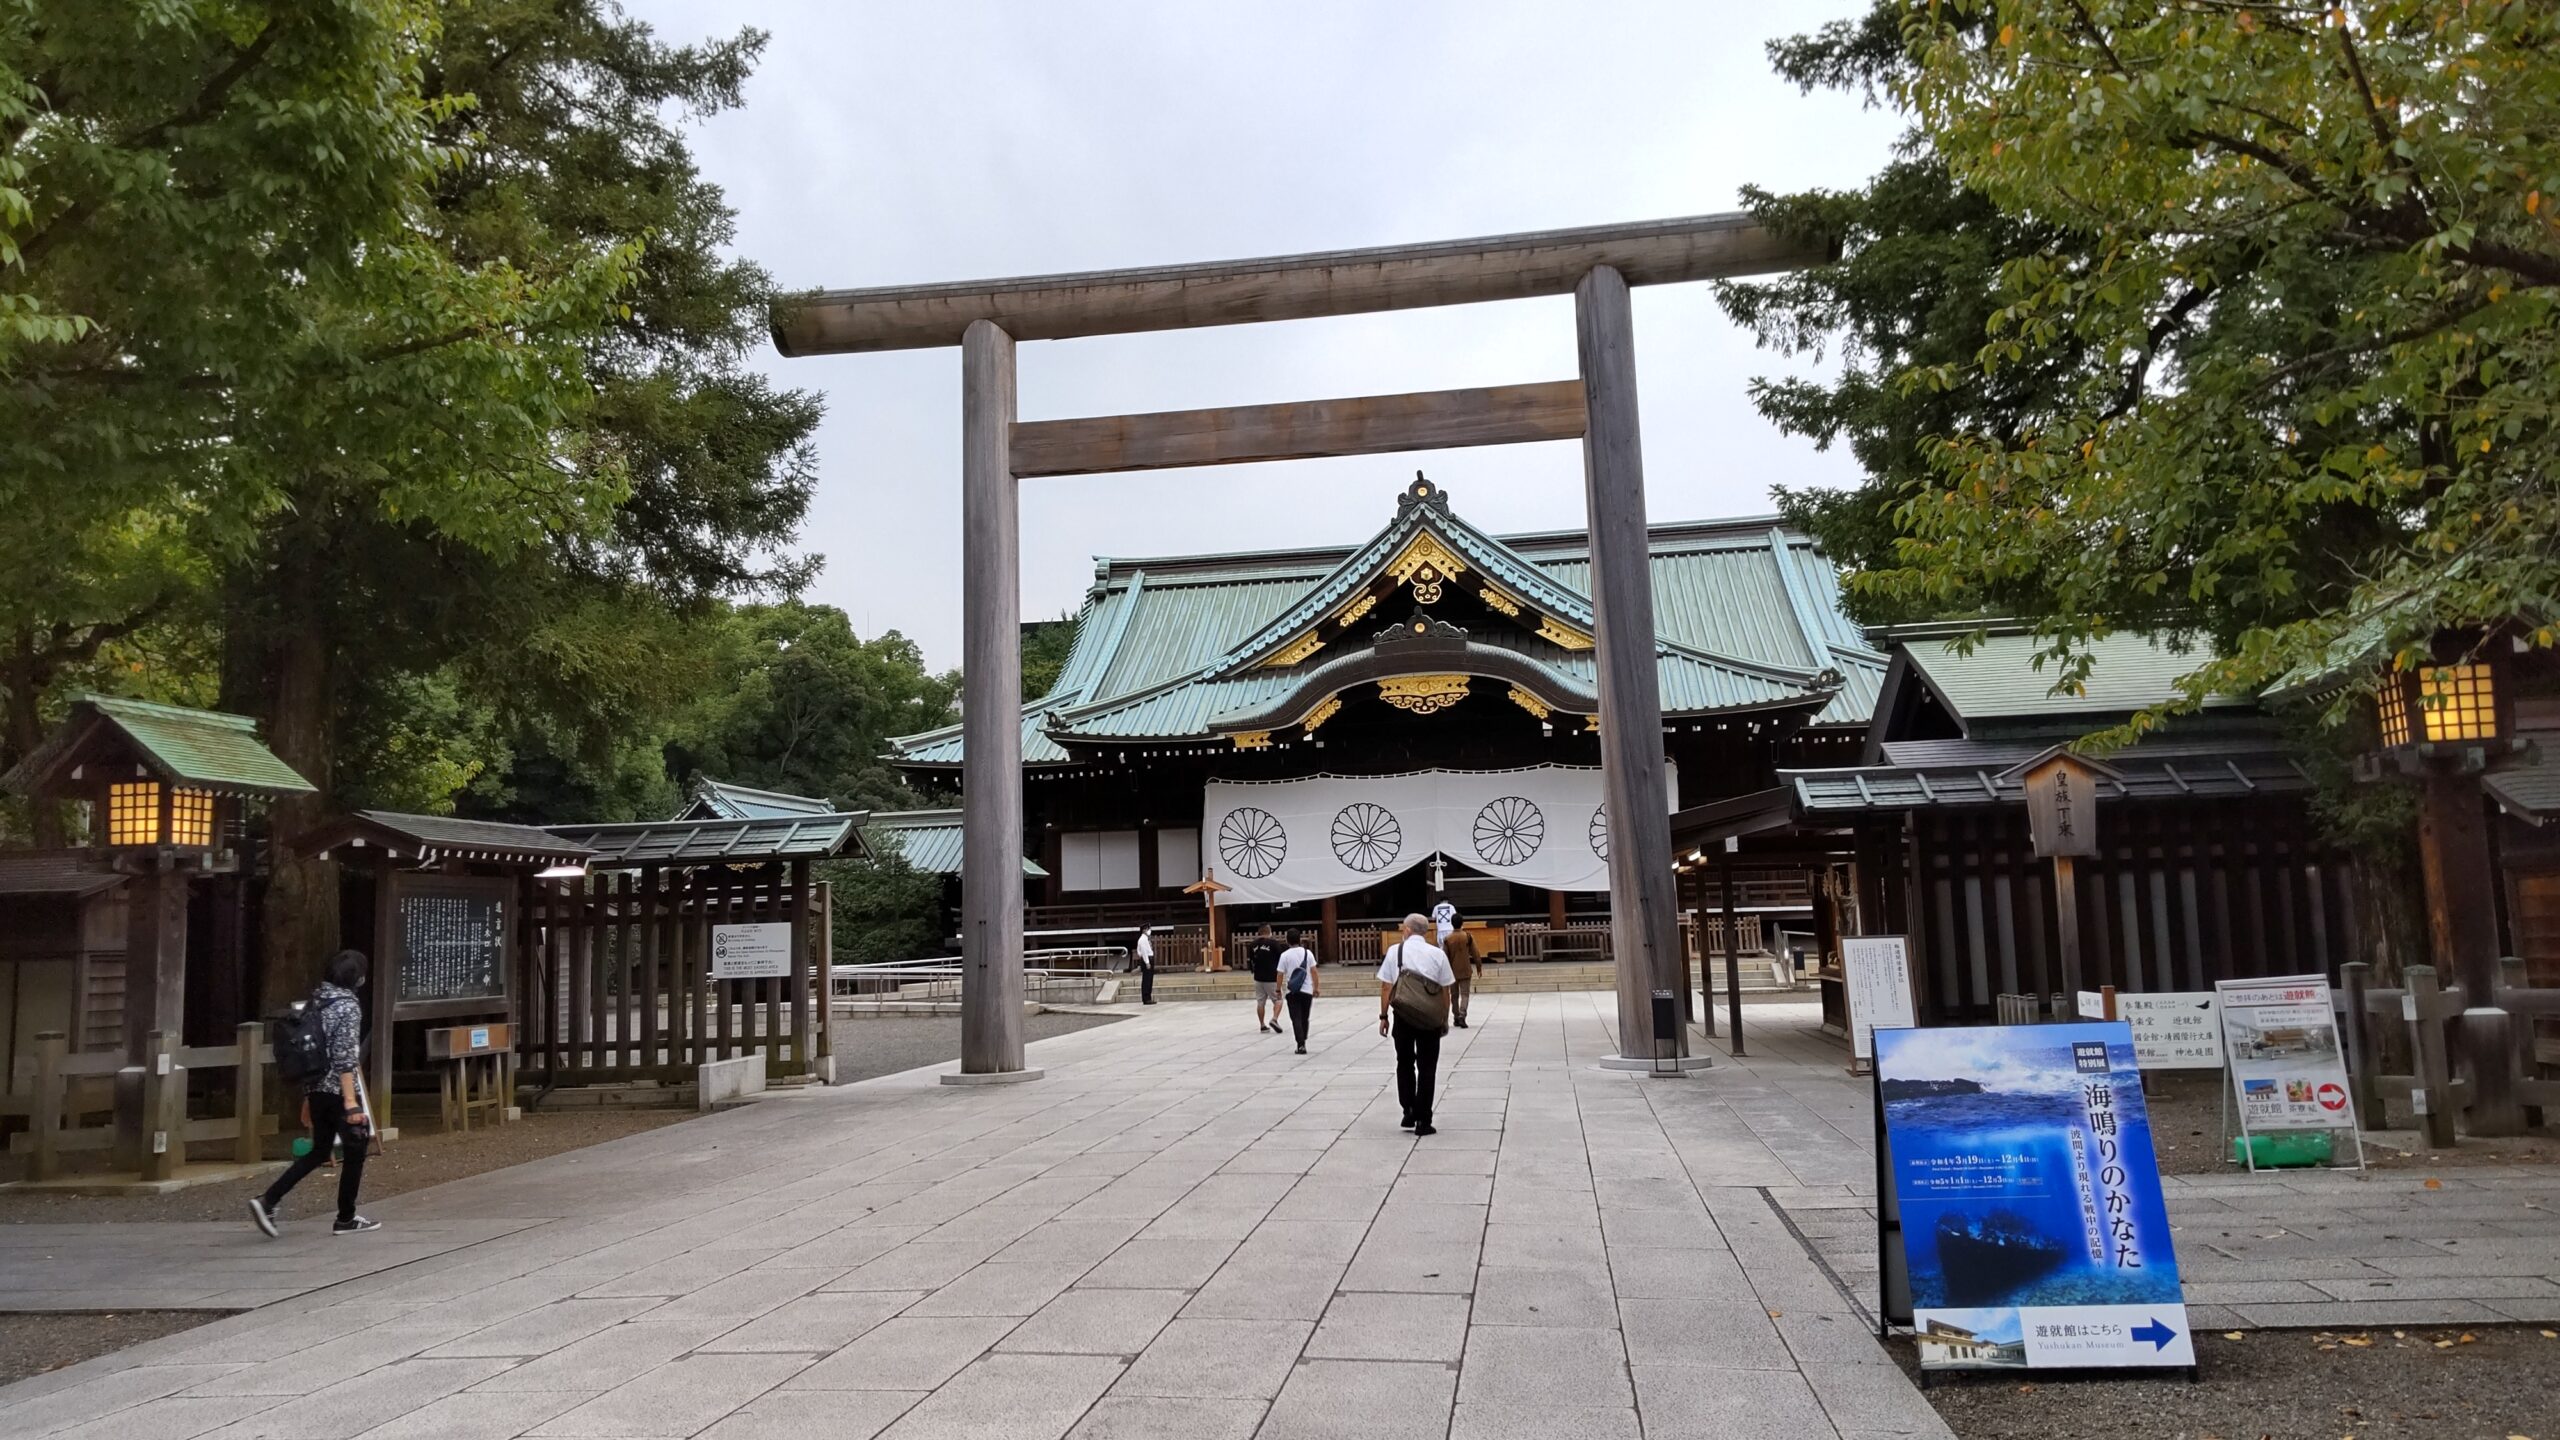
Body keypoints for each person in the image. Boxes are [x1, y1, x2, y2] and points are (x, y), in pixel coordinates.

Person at [249, 950, 380, 1236]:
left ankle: (269, 1200)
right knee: (356, 1147)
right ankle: (346, 1217)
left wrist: (309, 1096)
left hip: (316, 1087)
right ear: (357, 978)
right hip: (338, 1089)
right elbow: (345, 1057)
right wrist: (351, 1103)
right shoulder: (348, 1007)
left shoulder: (316, 1002)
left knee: (320, 1149)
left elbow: (311, 1052)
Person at [1378, 913, 1455, 1135]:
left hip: (1403, 1015)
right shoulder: (1437, 954)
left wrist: (1384, 1016)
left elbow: (1386, 987)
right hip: (1430, 1018)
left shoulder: (1395, 951)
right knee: (1427, 1067)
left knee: (1404, 1062)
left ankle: (1408, 1109)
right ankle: (1424, 1120)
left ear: (1408, 930)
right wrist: (1444, 1018)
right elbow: (1445, 990)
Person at [1277, 928, 1319, 1053]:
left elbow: (1280, 974)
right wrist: (1316, 988)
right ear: (1299, 939)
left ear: (1287, 940)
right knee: (1304, 1017)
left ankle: (1300, 1044)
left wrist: (1278, 989)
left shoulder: (1284, 955)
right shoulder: (1308, 953)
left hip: (1292, 991)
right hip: (1307, 990)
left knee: (1295, 1018)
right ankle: (1303, 1040)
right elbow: (1314, 971)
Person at [1246, 922, 1285, 1034]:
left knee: (1260, 1002)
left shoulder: (1253, 945)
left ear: (1259, 932)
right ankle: (1274, 1019)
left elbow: (1251, 960)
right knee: (1278, 999)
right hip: (1272, 977)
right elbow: (1281, 958)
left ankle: (1262, 1025)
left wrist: (1253, 971)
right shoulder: (1274, 944)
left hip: (1258, 977)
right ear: (1269, 931)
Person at [1442, 910, 1477, 1029]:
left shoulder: (1447, 938)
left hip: (1452, 971)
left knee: (1454, 995)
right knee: (1465, 994)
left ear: (1451, 923)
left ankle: (1456, 1017)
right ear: (1462, 923)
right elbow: (1475, 953)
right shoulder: (1467, 936)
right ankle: (1463, 1015)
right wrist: (1479, 965)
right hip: (1465, 969)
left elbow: (1444, 956)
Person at [1135, 926, 1156, 1005]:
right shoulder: (1143, 940)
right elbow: (1143, 952)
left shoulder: (1145, 939)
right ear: (1144, 930)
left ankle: (1148, 997)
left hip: (1149, 958)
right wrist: (1147, 962)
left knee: (1149, 979)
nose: (1149, 931)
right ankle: (1146, 998)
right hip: (1147, 959)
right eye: (1148, 929)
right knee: (1147, 979)